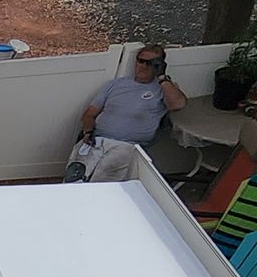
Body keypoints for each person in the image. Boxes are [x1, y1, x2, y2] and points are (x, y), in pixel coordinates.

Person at [66, 44, 185, 180]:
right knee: (75, 177)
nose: (143, 66)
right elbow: (90, 113)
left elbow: (178, 104)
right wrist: (88, 133)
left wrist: (162, 77)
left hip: (126, 145)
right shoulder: (115, 84)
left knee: (102, 183)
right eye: (141, 61)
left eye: (151, 63)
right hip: (96, 139)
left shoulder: (163, 89)